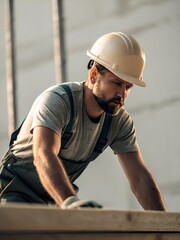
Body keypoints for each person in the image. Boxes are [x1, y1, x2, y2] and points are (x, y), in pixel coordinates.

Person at [0, 32, 166, 210]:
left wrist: (165, 226)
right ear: (94, 75)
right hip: (14, 191)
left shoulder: (119, 122)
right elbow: (43, 155)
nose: (122, 95)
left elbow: (139, 178)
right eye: (116, 83)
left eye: (128, 87)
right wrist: (71, 202)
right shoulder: (58, 101)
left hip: (54, 199)